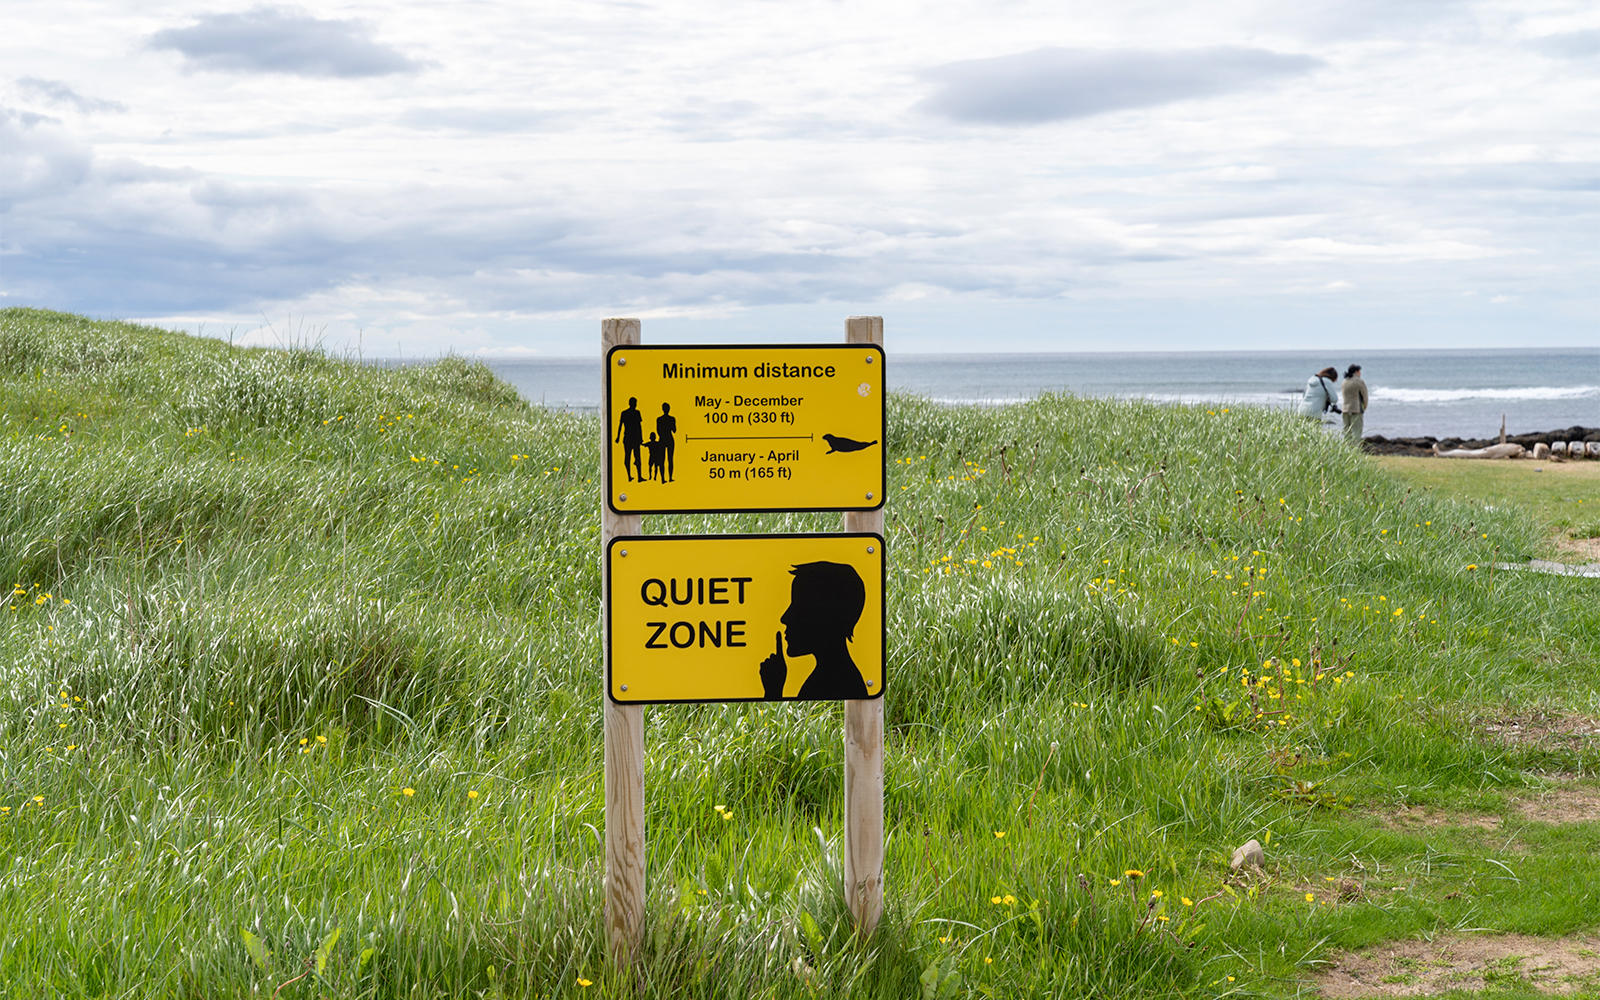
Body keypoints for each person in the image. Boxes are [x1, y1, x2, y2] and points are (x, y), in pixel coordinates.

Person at [758, 561, 869, 700]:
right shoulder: (832, 675)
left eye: (798, 608)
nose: (785, 617)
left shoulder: (833, 681)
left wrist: (773, 691)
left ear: (826, 616)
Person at [614, 396, 643, 482]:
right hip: (630, 437)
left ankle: (638, 476)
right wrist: (618, 437)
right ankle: (630, 476)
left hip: (631, 437)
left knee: (635, 457)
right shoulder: (628, 413)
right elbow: (621, 425)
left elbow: (639, 426)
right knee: (630, 457)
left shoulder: (631, 413)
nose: (635, 405)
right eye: (634, 403)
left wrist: (641, 438)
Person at [1340, 364, 1368, 444]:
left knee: (1347, 433)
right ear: (1356, 372)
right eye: (1359, 371)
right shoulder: (1359, 381)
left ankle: (1346, 451)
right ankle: (1355, 453)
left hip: (1345, 410)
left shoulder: (1344, 382)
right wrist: (1364, 408)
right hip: (1356, 410)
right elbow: (1365, 397)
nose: (1360, 373)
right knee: (1356, 432)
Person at [656, 402, 677, 482]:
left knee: (665, 459)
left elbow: (658, 430)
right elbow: (674, 430)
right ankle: (667, 478)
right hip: (668, 438)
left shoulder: (660, 419)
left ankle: (664, 478)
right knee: (668, 459)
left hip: (664, 439)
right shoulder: (671, 419)